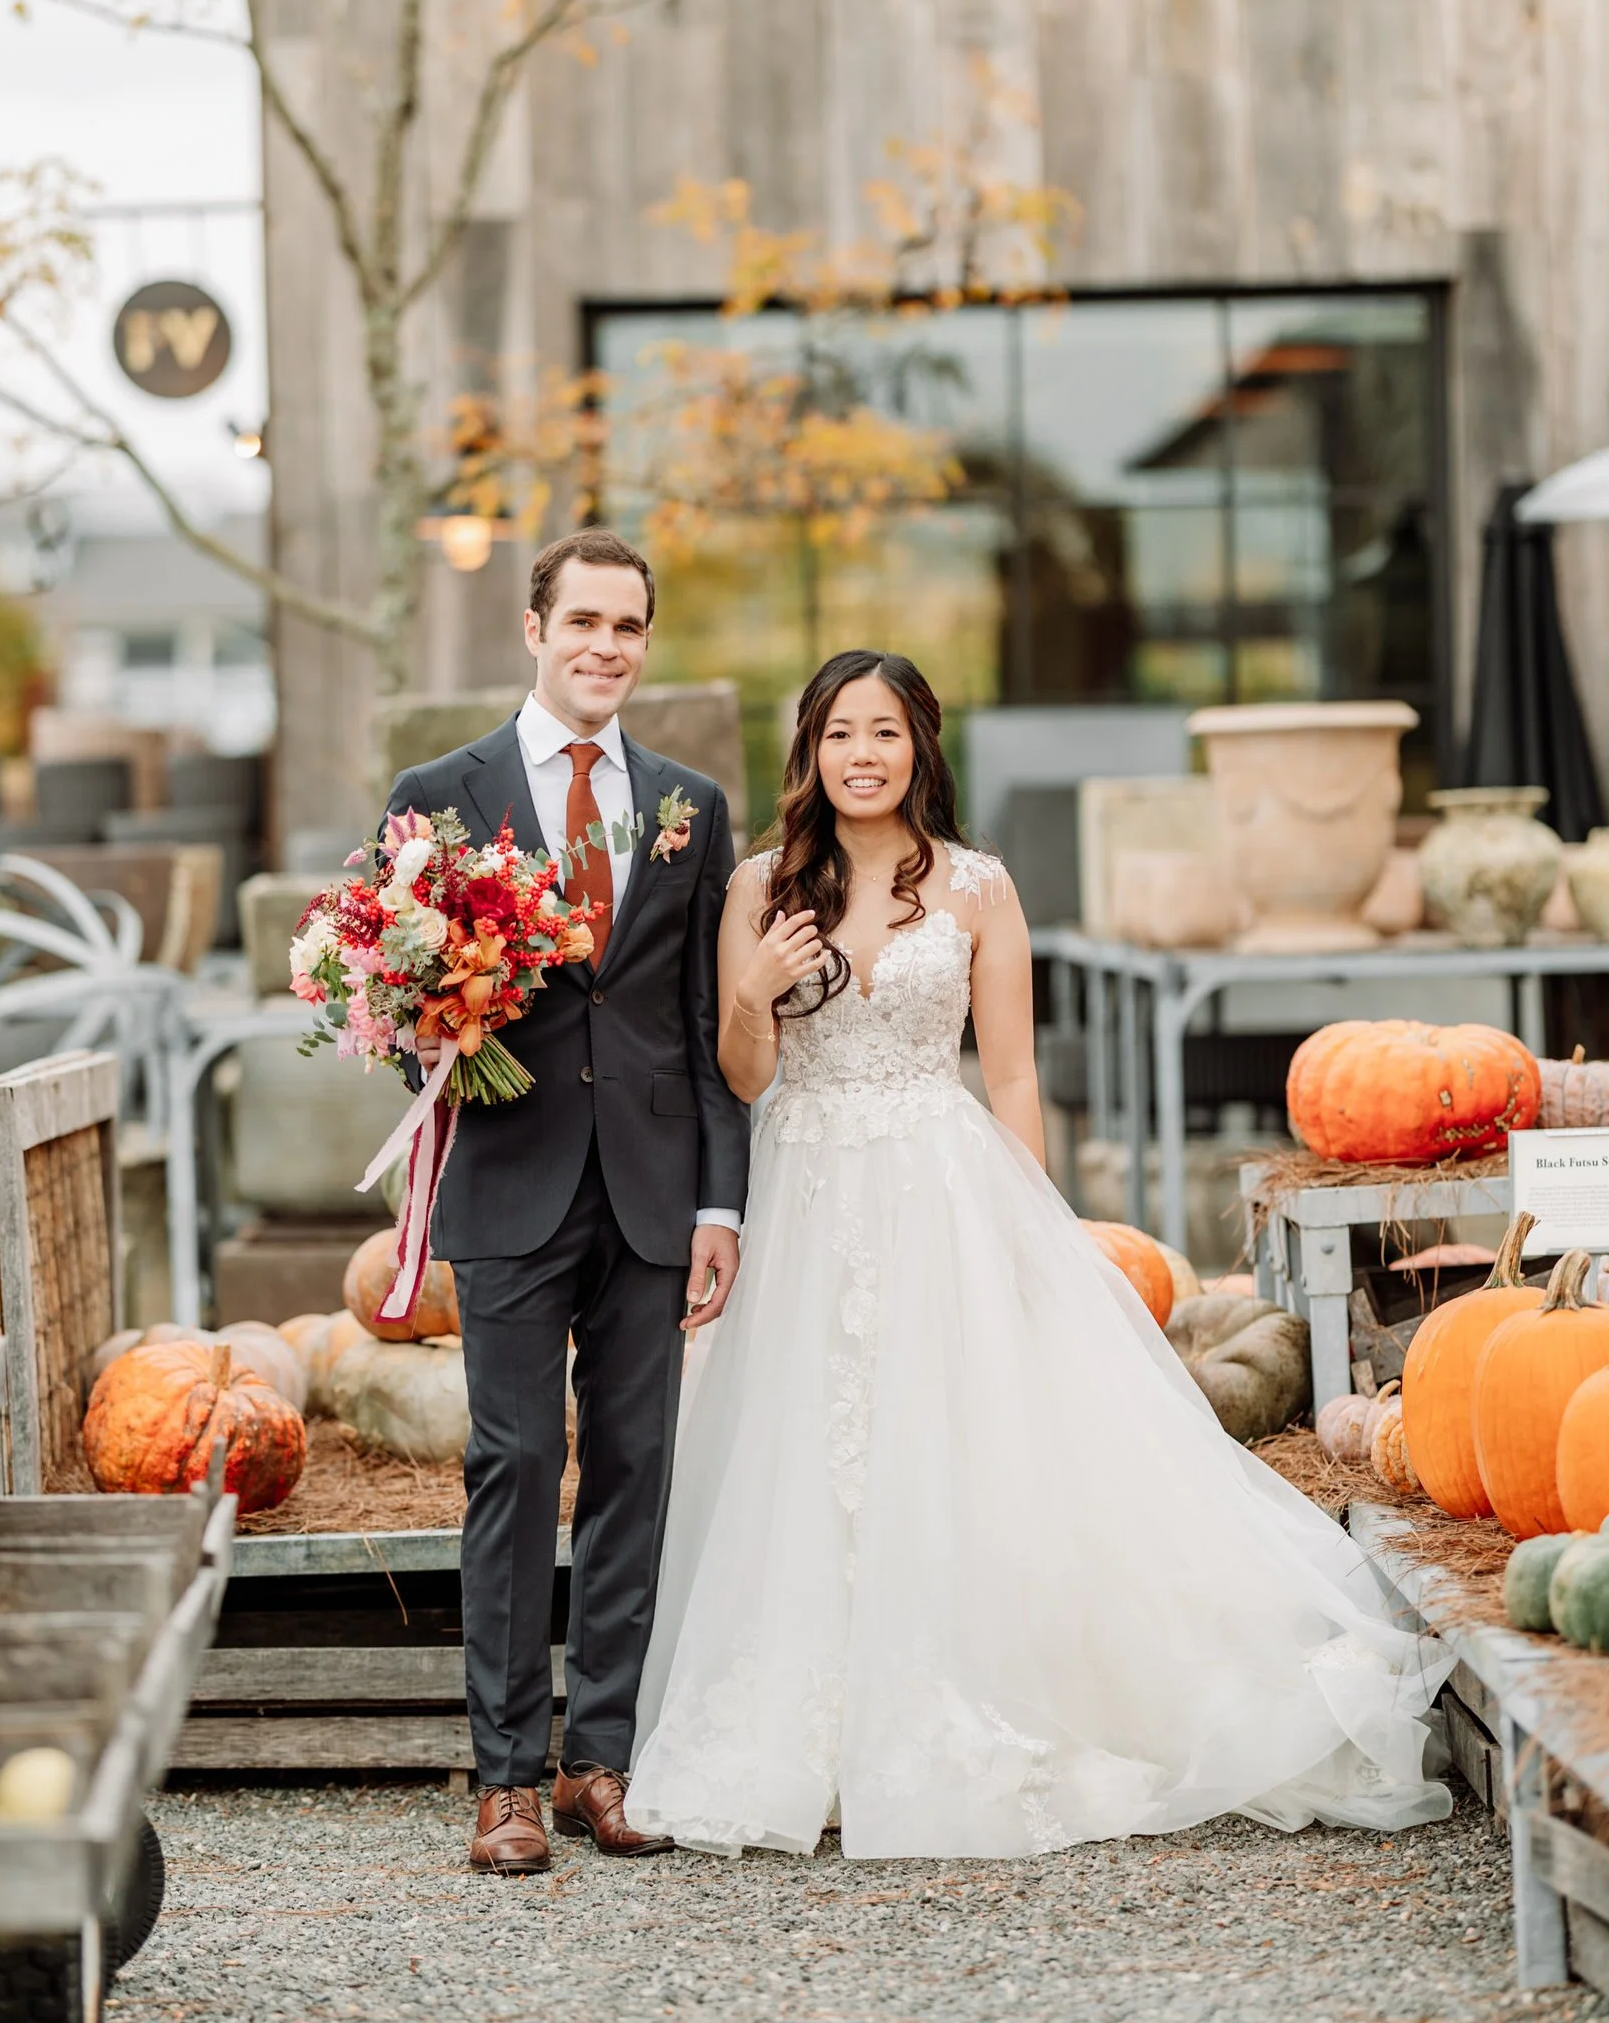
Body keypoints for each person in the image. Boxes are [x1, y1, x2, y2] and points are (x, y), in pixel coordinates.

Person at [625, 649, 1452, 1860]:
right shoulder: (761, 886)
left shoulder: (977, 887)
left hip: (937, 1184)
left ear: (922, 751)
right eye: (842, 732)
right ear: (809, 748)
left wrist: (1035, 1234)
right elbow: (742, 1075)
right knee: (807, 1451)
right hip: (800, 1185)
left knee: (949, 1442)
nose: (864, 753)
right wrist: (750, 987)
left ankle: (968, 1700)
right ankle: (814, 1727)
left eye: (888, 733)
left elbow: (1010, 1073)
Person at [382, 531, 749, 1874]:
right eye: (583, 620)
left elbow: (708, 1021)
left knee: (637, 1473)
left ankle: (605, 1759)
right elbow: (398, 996)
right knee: (516, 1462)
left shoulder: (693, 808)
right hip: (510, 1176)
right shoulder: (439, 796)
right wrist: (425, 1022)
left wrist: (723, 1205)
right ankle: (504, 1782)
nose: (607, 646)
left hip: (654, 1189)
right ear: (532, 629)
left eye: (630, 626)